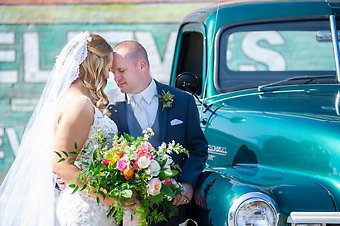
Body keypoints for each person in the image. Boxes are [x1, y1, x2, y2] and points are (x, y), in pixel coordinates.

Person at [0, 31, 118, 226]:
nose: (108, 74)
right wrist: (110, 197)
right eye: (108, 66)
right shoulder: (79, 104)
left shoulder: (74, 99)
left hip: (93, 205)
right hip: (88, 209)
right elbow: (61, 165)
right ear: (95, 65)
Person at [108, 40, 208, 226]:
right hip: (127, 212)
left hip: (172, 211)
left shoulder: (182, 101)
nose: (116, 77)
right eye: (113, 72)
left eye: (121, 70)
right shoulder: (109, 106)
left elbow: (197, 147)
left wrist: (187, 183)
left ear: (142, 65)